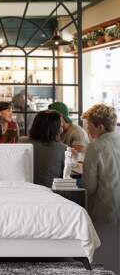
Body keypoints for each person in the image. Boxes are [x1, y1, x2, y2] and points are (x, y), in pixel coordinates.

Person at [82, 104, 120, 273]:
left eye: (89, 127)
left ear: (100, 127)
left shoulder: (95, 147)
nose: (88, 131)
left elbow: (90, 187)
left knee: (105, 261)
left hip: (104, 211)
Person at [21, 110, 66, 188]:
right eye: (61, 126)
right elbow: (65, 177)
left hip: (23, 190)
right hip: (50, 194)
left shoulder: (21, 144)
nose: (62, 129)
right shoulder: (62, 149)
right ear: (55, 129)